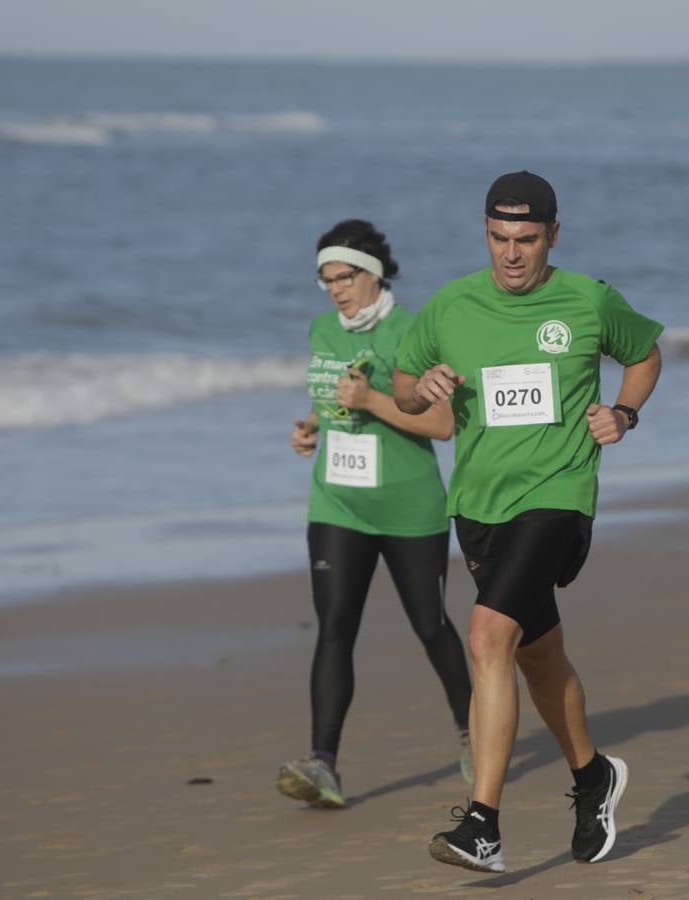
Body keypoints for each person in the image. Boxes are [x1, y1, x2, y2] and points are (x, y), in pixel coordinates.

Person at [392, 171, 664, 872]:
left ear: (553, 236)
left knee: (488, 637)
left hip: (558, 495)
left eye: (526, 239)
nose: (511, 254)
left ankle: (482, 824)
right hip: (479, 506)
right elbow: (404, 381)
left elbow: (644, 353)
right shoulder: (452, 305)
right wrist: (420, 390)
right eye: (498, 238)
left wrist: (624, 414)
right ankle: (592, 775)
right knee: (537, 655)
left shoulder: (588, 300)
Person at [278, 219, 474, 809]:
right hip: (336, 502)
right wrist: (312, 427)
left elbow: (441, 424)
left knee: (430, 625)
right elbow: (325, 395)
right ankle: (324, 764)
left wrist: (371, 401)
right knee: (335, 628)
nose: (336, 290)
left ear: (375, 274)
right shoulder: (321, 330)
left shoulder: (413, 333)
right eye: (326, 280)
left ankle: (474, 732)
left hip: (410, 506)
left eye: (346, 277)